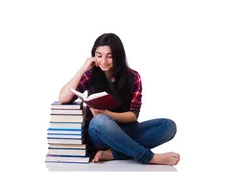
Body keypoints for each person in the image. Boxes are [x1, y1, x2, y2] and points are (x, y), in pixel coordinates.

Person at [58, 33, 180, 166]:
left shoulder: (133, 77)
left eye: (109, 56)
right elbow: (63, 98)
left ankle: (113, 154)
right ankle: (149, 158)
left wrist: (107, 114)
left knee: (168, 126)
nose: (104, 61)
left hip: (126, 130)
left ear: (119, 56)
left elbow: (133, 116)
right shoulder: (91, 74)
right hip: (99, 134)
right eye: (99, 56)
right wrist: (83, 68)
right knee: (99, 121)